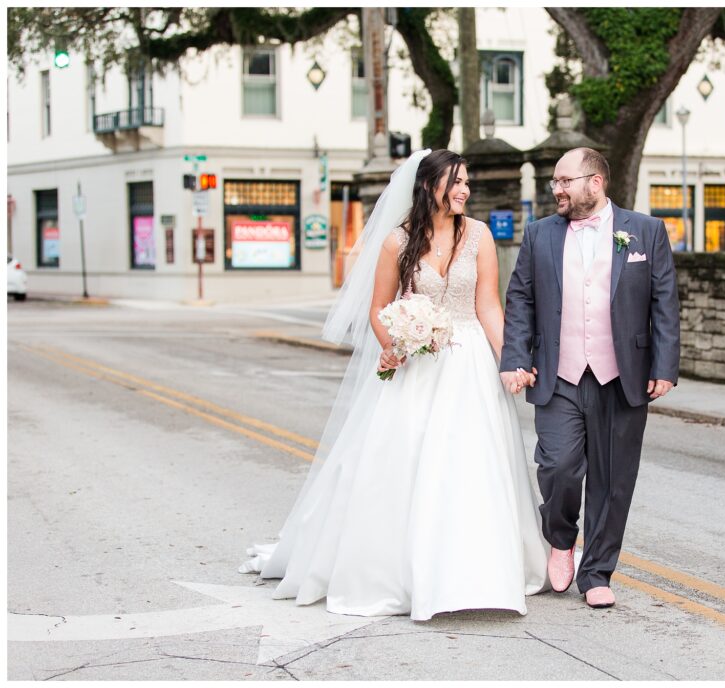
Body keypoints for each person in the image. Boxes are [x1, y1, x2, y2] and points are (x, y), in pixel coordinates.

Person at [240, 149, 548, 621]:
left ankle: (476, 570)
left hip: (469, 366)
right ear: (428, 186)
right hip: (416, 367)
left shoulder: (480, 236)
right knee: (405, 460)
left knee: (473, 464)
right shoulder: (395, 243)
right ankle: (397, 572)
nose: (465, 190)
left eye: (467, 182)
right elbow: (378, 309)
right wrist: (397, 343)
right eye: (456, 182)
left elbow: (488, 304)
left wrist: (513, 358)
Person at [500, 147, 680, 609]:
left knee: (613, 478)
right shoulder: (539, 235)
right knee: (558, 466)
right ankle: (561, 539)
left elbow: (664, 303)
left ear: (594, 182)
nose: (556, 189)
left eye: (564, 181)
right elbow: (520, 299)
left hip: (623, 374)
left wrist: (664, 366)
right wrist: (515, 357)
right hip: (558, 374)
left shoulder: (646, 231)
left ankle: (597, 571)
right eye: (555, 183)